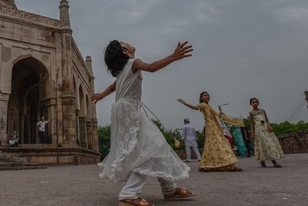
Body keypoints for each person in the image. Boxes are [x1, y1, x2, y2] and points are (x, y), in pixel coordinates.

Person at [92, 40, 194, 206]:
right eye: (124, 43)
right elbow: (152, 67)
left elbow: (113, 86)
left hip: (124, 110)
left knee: (156, 144)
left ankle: (169, 188)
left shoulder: (123, 70)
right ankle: (129, 194)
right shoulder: (134, 63)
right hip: (129, 110)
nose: (129, 43)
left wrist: (102, 95)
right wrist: (173, 57)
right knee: (148, 148)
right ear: (125, 51)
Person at [177, 92, 243, 172]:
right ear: (201, 98)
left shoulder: (209, 106)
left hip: (214, 126)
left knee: (214, 144)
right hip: (211, 127)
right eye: (205, 95)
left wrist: (221, 115)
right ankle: (227, 164)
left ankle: (219, 164)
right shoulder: (203, 105)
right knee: (220, 143)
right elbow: (194, 107)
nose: (207, 96)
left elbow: (216, 114)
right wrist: (185, 103)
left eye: (208, 95)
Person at [249, 97, 284, 168]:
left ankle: (273, 162)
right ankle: (263, 161)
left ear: (258, 103)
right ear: (251, 104)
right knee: (262, 144)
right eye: (253, 102)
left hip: (265, 128)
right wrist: (252, 133)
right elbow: (252, 124)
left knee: (270, 144)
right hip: (258, 130)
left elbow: (267, 119)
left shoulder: (262, 111)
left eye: (256, 102)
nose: (255, 103)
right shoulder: (251, 113)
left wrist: (269, 126)